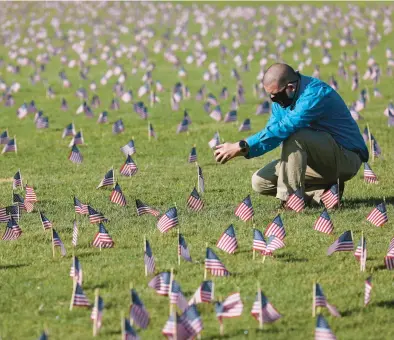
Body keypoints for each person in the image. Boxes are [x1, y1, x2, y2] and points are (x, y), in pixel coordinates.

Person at [214, 63, 368, 206]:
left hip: (346, 157)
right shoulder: (282, 100)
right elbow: (272, 132)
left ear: (290, 88)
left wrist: (243, 144)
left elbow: (287, 126)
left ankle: (291, 201)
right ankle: (324, 193)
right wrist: (245, 150)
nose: (273, 99)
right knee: (259, 182)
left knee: (296, 136)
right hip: (317, 161)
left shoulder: (314, 93)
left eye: (275, 94)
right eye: (270, 95)